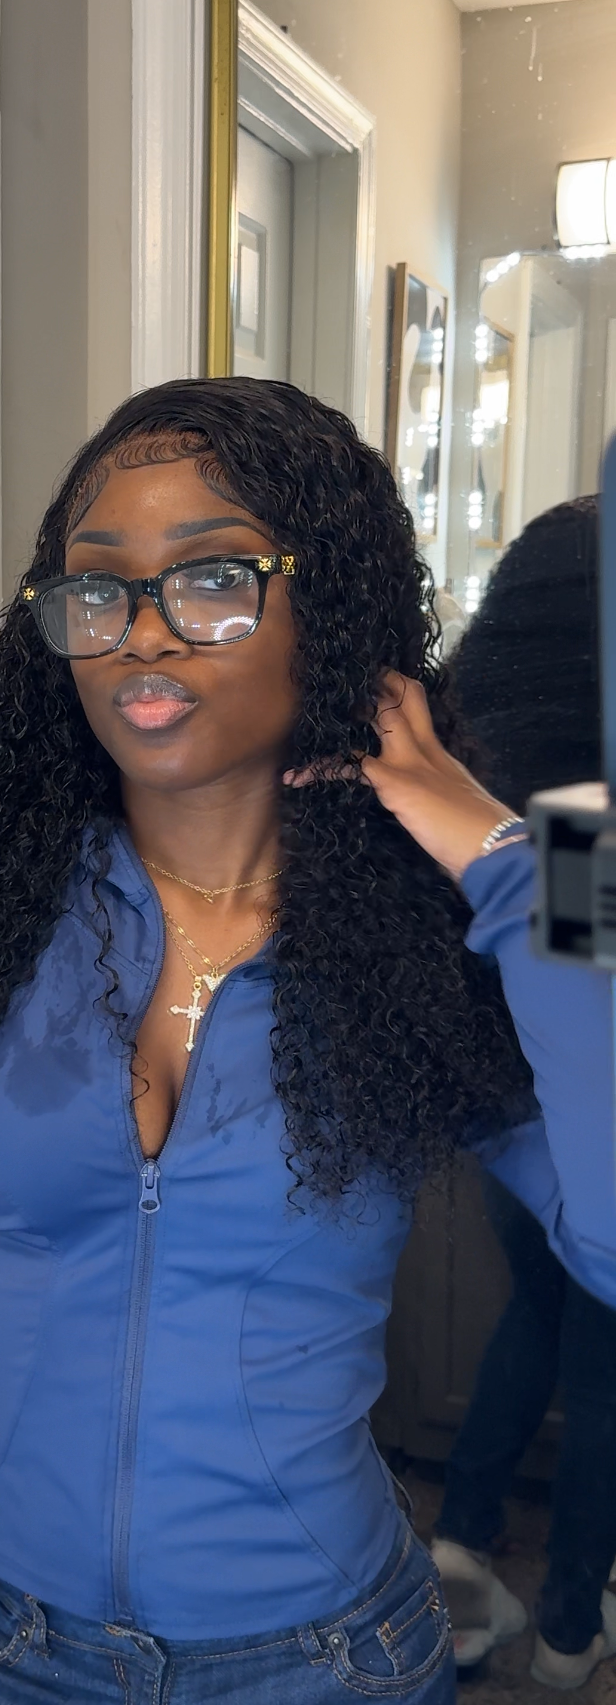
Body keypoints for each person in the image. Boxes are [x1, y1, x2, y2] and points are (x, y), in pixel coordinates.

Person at [0, 379, 616, 1703]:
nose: (142, 634)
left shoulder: (424, 931)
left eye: (212, 578)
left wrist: (510, 855)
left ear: (328, 607)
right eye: (98, 589)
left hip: (323, 1663)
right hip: (5, 1650)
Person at [429, 496, 616, 1691]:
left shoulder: (483, 774)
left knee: (534, 1318)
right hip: (583, 1117)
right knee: (601, 1375)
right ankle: (567, 1627)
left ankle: (459, 1549)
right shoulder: (593, 824)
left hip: (502, 1105)